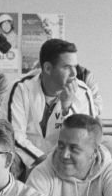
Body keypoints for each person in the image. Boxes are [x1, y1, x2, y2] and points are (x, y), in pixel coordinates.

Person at [7, 39, 100, 171]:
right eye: (67, 67)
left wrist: (66, 107)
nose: (74, 73)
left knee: (106, 149)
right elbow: (14, 137)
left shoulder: (82, 92)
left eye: (75, 67)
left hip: (67, 156)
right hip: (28, 157)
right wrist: (42, 161)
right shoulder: (20, 88)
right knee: (10, 161)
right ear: (48, 68)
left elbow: (85, 138)